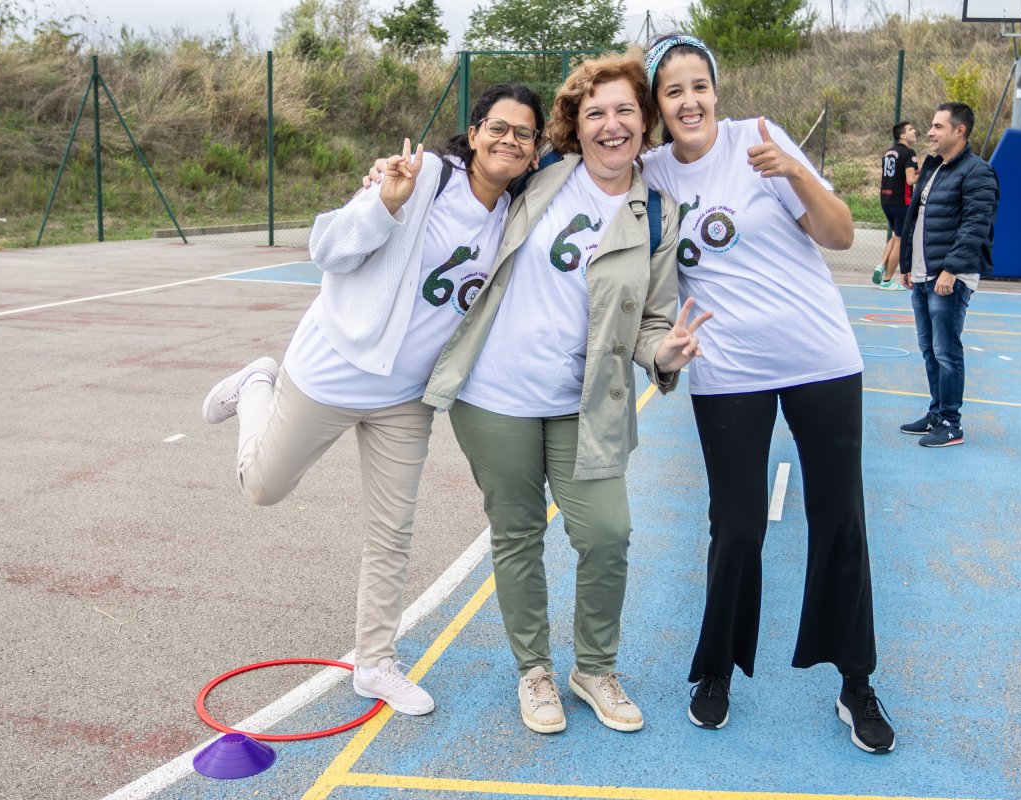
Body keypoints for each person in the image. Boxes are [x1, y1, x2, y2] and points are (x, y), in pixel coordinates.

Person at [199, 84, 545, 717]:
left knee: (391, 532)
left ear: (535, 150)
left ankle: (375, 663)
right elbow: (326, 249)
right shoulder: (422, 176)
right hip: (333, 370)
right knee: (263, 488)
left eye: (524, 133)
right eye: (498, 127)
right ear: (473, 134)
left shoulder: (517, 215)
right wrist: (384, 204)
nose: (510, 140)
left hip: (406, 399)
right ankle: (255, 386)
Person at [422, 53, 708, 736]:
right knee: (517, 534)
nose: (611, 125)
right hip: (495, 395)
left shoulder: (658, 215)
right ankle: (534, 669)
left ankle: (594, 668)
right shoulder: (540, 177)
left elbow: (654, 321)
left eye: (624, 111)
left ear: (644, 121)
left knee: (606, 533)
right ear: (575, 126)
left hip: (586, 403)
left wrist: (663, 354)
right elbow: (468, 175)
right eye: (595, 113)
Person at [641, 34, 895, 754]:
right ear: (658, 105)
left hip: (820, 357)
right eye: (673, 91)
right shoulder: (650, 173)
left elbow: (838, 234)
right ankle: (716, 670)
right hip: (729, 370)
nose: (690, 101)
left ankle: (855, 682)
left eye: (699, 85)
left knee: (840, 517)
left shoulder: (758, 140)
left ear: (715, 90)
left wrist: (795, 172)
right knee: (737, 524)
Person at [898, 102, 998, 448]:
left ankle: (951, 423)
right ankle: (936, 413)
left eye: (938, 126)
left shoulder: (977, 172)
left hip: (949, 278)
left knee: (946, 350)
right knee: (929, 349)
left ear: (960, 131)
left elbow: (975, 225)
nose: (930, 132)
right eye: (931, 125)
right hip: (924, 275)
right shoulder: (933, 167)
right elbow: (916, 220)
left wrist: (951, 269)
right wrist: (908, 265)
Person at [873, 121, 918, 291]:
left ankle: (881, 265)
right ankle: (887, 280)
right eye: (910, 129)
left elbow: (899, 172)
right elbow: (910, 180)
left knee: (896, 235)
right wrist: (926, 176)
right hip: (901, 202)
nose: (914, 131)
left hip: (886, 200)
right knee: (901, 240)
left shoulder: (888, 153)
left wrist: (922, 169)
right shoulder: (909, 153)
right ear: (903, 136)